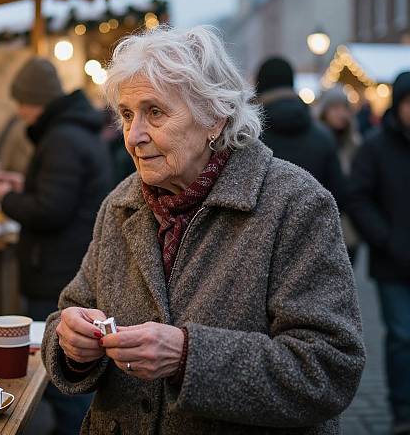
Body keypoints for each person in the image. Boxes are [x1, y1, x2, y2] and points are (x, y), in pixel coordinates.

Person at [41, 26, 365, 435]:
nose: (134, 135)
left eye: (154, 112)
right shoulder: (121, 205)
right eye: (126, 114)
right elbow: (68, 312)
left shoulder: (294, 204)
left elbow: (329, 369)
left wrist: (189, 357)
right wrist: (71, 344)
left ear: (215, 117)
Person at [0, 57, 112, 435]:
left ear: (34, 101)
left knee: (64, 380)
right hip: (66, 263)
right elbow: (59, 196)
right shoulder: (71, 132)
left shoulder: (61, 139)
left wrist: (4, 199)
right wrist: (23, 188)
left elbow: (51, 210)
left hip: (59, 271)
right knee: (69, 374)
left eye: (21, 101)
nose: (19, 111)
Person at [349, 71, 410, 435]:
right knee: (402, 338)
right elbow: (357, 196)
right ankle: (403, 410)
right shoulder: (375, 147)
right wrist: (385, 239)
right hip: (393, 263)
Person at [255, 57, 348, 208]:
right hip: (313, 225)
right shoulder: (323, 136)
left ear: (259, 86)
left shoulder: (247, 138)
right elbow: (338, 195)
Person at [317, 87, 362, 263]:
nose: (341, 113)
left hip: (349, 227)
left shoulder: (355, 144)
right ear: (325, 111)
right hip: (321, 226)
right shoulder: (316, 143)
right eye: (335, 108)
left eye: (344, 108)